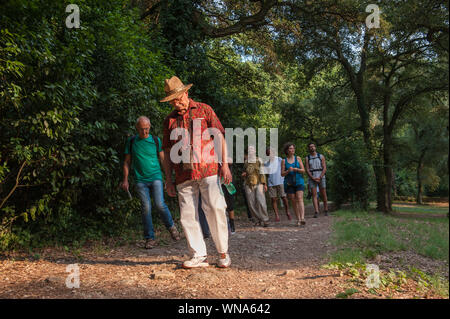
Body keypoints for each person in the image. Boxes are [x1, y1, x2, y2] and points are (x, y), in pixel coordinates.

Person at [160, 76, 232, 269]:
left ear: (186, 93)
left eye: (178, 98)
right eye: (172, 100)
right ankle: (198, 255)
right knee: (187, 215)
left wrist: (224, 164)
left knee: (215, 209)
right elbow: (167, 153)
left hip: (208, 168)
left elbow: (219, 137)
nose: (176, 103)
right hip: (183, 174)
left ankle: (223, 253)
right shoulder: (169, 121)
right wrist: (168, 179)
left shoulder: (204, 109)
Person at [121, 116, 181, 249]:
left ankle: (171, 227)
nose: (145, 132)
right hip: (140, 180)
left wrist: (168, 178)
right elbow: (126, 162)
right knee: (146, 207)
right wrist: (125, 179)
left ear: (150, 127)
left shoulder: (155, 140)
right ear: (137, 128)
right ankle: (150, 238)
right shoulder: (132, 142)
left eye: (147, 129)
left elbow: (163, 159)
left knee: (160, 204)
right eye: (142, 129)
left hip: (156, 177)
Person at [242, 145, 270, 227]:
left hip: (259, 183)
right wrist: (243, 174)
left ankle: (265, 220)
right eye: (249, 149)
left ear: (255, 151)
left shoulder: (259, 160)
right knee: (251, 203)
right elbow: (244, 172)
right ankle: (258, 219)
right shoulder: (246, 161)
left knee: (261, 201)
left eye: (252, 149)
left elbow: (262, 172)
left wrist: (264, 184)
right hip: (248, 183)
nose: (251, 150)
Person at [281, 142, 306, 226]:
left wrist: (296, 169)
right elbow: (282, 174)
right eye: (290, 148)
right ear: (287, 150)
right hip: (289, 183)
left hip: (299, 181)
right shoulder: (284, 161)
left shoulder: (298, 158)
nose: (292, 150)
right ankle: (298, 219)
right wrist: (288, 171)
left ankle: (302, 218)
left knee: (299, 198)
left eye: (293, 148)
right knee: (293, 200)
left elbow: (303, 170)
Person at [264, 147, 291, 222]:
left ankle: (287, 211)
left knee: (284, 197)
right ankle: (277, 215)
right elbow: (266, 174)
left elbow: (284, 169)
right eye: (268, 153)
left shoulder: (279, 159)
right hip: (271, 183)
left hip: (280, 181)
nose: (270, 154)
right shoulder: (266, 163)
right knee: (273, 199)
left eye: (271, 153)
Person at [305, 142, 329, 218]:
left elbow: (324, 167)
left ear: (315, 147)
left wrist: (320, 177)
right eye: (310, 147)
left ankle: (326, 209)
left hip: (321, 176)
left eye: (313, 146)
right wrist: (312, 178)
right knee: (314, 195)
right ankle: (316, 211)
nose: (312, 148)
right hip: (312, 177)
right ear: (309, 148)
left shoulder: (321, 156)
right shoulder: (307, 158)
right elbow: (307, 169)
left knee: (323, 194)